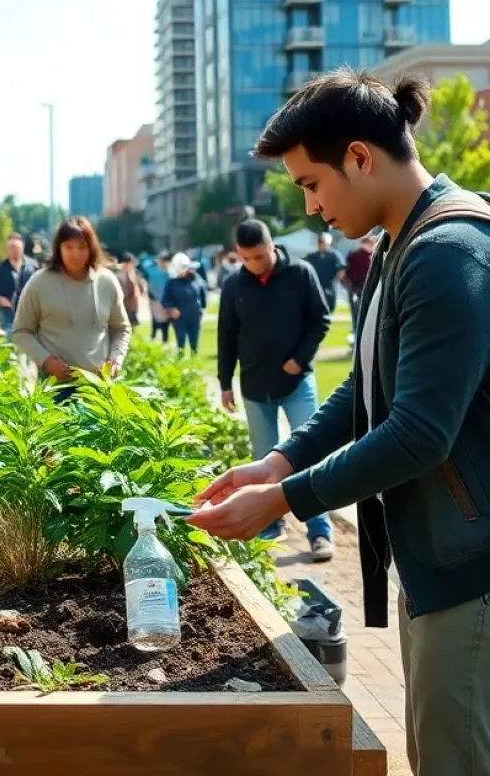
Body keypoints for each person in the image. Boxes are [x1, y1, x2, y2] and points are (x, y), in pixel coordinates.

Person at [189, 67, 490, 776]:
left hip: (471, 566)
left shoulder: (447, 253)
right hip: (436, 559)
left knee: (455, 760)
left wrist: (285, 500)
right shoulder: (398, 242)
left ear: (359, 156)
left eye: (310, 184)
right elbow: (366, 385)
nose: (312, 207)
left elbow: (418, 432)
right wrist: (278, 463)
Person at [218, 219, 334, 562]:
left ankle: (320, 532)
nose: (253, 264)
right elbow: (226, 336)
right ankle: (270, 524)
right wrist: (225, 383)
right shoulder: (234, 284)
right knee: (263, 459)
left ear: (272, 247)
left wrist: (299, 360)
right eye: (246, 258)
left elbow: (321, 319)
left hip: (298, 384)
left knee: (308, 457)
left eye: (259, 256)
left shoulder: (301, 273)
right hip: (255, 387)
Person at [13, 216, 131, 389]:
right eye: (69, 247)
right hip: (54, 386)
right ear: (58, 248)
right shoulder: (39, 283)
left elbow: (121, 328)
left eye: (82, 247)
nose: (75, 254)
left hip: (98, 387)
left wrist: (116, 358)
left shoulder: (106, 281)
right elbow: (21, 331)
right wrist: (46, 361)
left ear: (91, 248)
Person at [0, 232, 36, 335]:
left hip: (28, 313)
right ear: (7, 250)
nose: (14, 250)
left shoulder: (33, 267)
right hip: (6, 314)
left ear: (22, 248)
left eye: (16, 247)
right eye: (10, 247)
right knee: (11, 338)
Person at [161, 252, 208, 355]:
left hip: (194, 315)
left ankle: (194, 359)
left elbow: (203, 294)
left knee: (194, 342)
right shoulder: (171, 283)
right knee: (181, 342)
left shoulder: (196, 279)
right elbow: (165, 300)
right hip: (179, 318)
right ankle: (181, 359)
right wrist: (171, 309)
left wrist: (202, 308)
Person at [344, 233, 376, 339]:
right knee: (357, 317)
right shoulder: (355, 255)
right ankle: (357, 339)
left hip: (369, 289)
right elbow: (348, 274)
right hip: (357, 289)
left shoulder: (374, 255)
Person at [305, 231, 345, 315]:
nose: (321, 244)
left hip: (329, 285)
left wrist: (336, 281)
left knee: (329, 307)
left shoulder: (334, 255)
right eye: (320, 242)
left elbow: (341, 269)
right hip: (315, 286)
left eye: (323, 242)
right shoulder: (312, 256)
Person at [143, 250, 174, 343]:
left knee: (166, 321)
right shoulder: (153, 272)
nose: (163, 263)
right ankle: (154, 335)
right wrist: (153, 296)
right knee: (156, 319)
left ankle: (165, 339)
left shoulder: (170, 273)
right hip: (155, 300)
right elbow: (149, 285)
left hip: (166, 301)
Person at [117, 252, 148, 328]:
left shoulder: (134, 274)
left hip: (132, 304)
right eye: (131, 263)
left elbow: (140, 286)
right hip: (123, 304)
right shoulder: (119, 275)